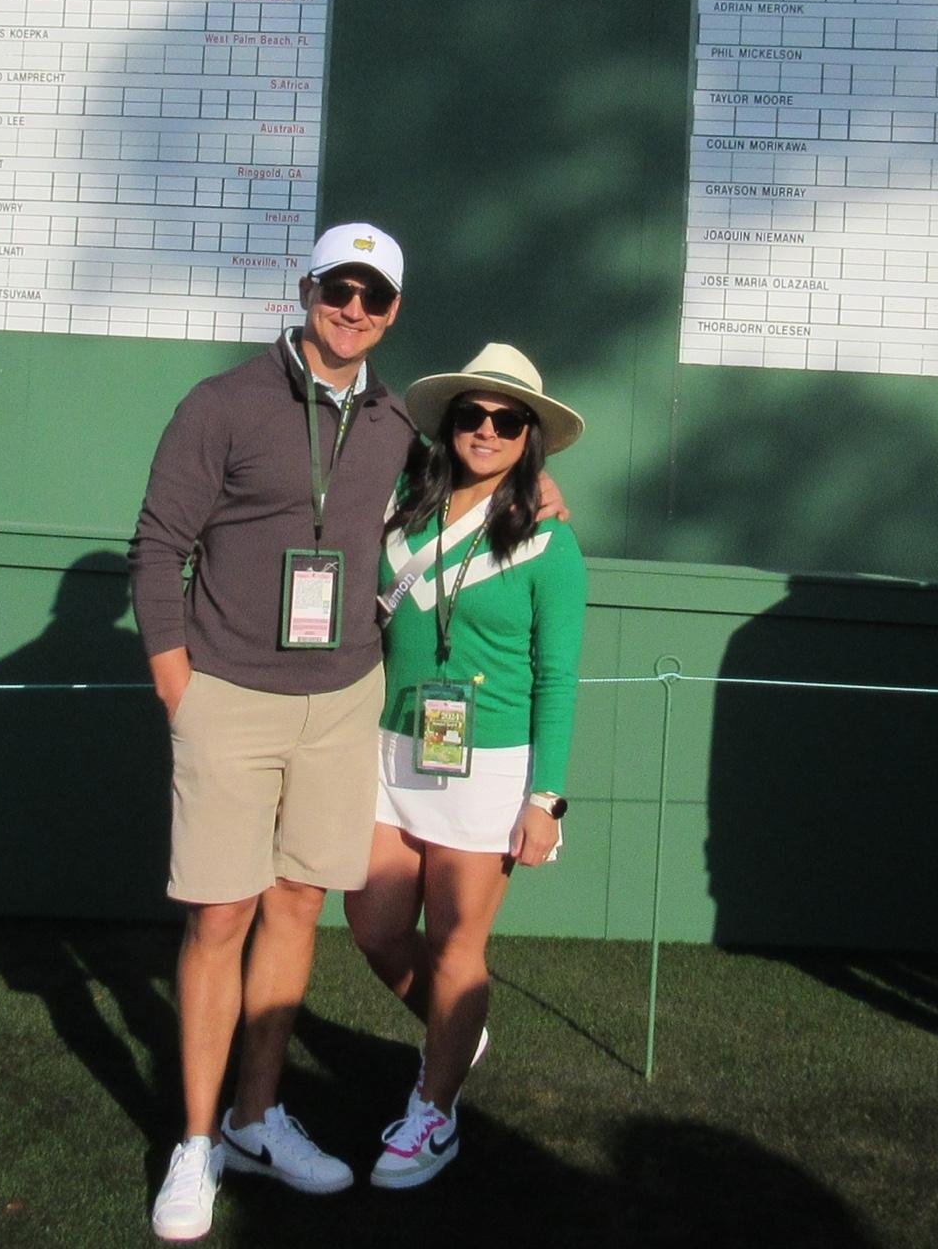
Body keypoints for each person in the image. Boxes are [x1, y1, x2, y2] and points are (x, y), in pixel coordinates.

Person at [130, 222, 415, 1241]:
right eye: (339, 289)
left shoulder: (395, 421)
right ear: (307, 291)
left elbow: (464, 492)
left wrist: (538, 487)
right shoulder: (223, 404)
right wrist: (182, 690)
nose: (352, 310)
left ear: (392, 313)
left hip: (342, 700)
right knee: (220, 918)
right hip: (230, 695)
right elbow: (158, 547)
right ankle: (196, 1141)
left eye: (372, 297)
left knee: (296, 907)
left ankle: (258, 1118)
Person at [344, 343, 587, 1189]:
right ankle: (459, 1031)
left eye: (507, 420)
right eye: (472, 415)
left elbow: (558, 677)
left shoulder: (551, 541)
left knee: (457, 946)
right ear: (449, 424)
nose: (487, 430)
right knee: (374, 928)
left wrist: (546, 799)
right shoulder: (402, 506)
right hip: (391, 748)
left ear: (529, 438)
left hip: (489, 770)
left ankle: (435, 1110)